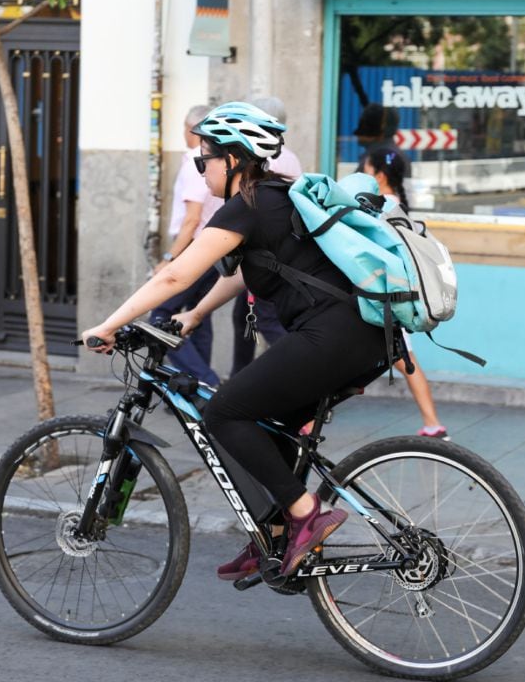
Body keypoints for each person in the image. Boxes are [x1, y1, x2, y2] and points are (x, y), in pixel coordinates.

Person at [79, 102, 388, 580]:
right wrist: (196, 314)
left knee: (224, 411)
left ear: (234, 160)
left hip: (333, 334)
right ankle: (275, 533)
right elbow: (246, 274)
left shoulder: (245, 206)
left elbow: (176, 274)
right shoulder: (272, 198)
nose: (201, 169)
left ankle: (307, 515)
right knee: (267, 422)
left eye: (206, 160)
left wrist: (107, 323)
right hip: (361, 336)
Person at [362, 145, 449, 441]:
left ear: (380, 175)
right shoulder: (397, 204)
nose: (362, 174)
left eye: (367, 169)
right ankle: (432, 423)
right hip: (392, 294)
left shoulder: (380, 206)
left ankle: (433, 422)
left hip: (385, 296)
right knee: (405, 360)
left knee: (405, 360)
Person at [227, 96, 302, 376]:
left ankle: (305, 373)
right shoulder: (286, 156)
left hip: (268, 256)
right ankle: (239, 375)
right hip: (270, 255)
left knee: (264, 319)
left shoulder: (272, 159)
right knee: (243, 317)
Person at [149, 105, 220, 387]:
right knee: (199, 317)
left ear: (192, 129)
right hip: (217, 248)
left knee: (160, 316)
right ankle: (195, 390)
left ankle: (205, 382)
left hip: (196, 247)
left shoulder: (196, 160)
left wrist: (169, 258)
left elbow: (192, 219)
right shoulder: (216, 159)